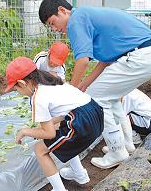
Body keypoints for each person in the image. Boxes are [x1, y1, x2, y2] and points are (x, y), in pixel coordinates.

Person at [39, 0, 151, 169]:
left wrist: (71, 93)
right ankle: (126, 144)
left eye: (53, 22)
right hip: (150, 53)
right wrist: (84, 85)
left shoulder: (76, 20)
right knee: (110, 98)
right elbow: (104, 62)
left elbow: (82, 61)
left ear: (63, 10)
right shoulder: (87, 16)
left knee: (96, 101)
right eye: (51, 26)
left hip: (140, 55)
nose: (55, 29)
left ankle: (117, 152)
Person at [6, 57, 103, 190]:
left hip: (83, 123)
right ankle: (79, 174)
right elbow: (63, 115)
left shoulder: (37, 97)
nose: (18, 92)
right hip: (94, 113)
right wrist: (42, 127)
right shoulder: (52, 81)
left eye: (15, 88)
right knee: (62, 133)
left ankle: (59, 189)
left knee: (40, 149)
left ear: (22, 83)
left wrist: (25, 131)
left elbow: (49, 133)